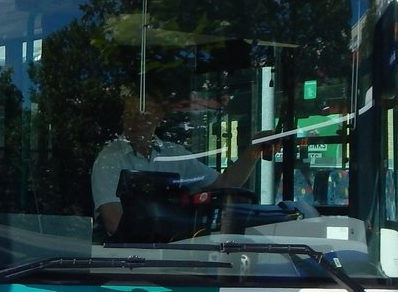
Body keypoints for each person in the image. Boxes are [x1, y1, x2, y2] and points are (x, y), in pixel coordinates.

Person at [91, 92, 277, 238]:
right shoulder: (110, 158)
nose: (135, 121)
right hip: (123, 259)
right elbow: (114, 222)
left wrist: (255, 149)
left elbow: (225, 184)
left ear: (158, 116)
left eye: (143, 114)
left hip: (177, 253)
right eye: (129, 114)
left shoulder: (173, 154)